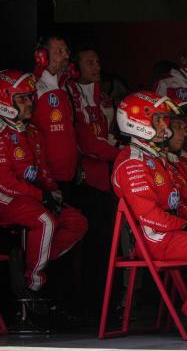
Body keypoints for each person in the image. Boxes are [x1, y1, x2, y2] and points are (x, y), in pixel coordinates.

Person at [112, 91, 187, 341]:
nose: (165, 127)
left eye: (165, 120)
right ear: (139, 123)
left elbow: (174, 203)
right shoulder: (132, 162)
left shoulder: (156, 157)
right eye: (159, 120)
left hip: (169, 232)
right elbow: (151, 217)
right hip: (151, 239)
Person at [0, 70, 87, 296]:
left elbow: (43, 172)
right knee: (44, 220)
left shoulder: (33, 133)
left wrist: (53, 193)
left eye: (30, 97)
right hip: (5, 197)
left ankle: (31, 259)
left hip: (29, 198)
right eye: (22, 98)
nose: (30, 103)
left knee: (76, 221)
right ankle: (32, 288)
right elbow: (5, 181)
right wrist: (42, 197)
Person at [66, 46, 122, 316]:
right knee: (84, 247)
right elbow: (85, 140)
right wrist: (121, 152)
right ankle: (81, 306)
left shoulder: (105, 98)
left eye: (98, 61)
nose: (96, 67)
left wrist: (116, 149)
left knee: (103, 246)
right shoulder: (68, 95)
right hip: (81, 181)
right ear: (75, 67)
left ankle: (103, 305)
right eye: (89, 62)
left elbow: (109, 135)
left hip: (105, 181)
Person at [31, 36, 79, 186]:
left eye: (66, 51)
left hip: (69, 173)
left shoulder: (66, 87)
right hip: (46, 177)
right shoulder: (33, 86)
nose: (66, 55)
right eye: (60, 51)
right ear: (42, 56)